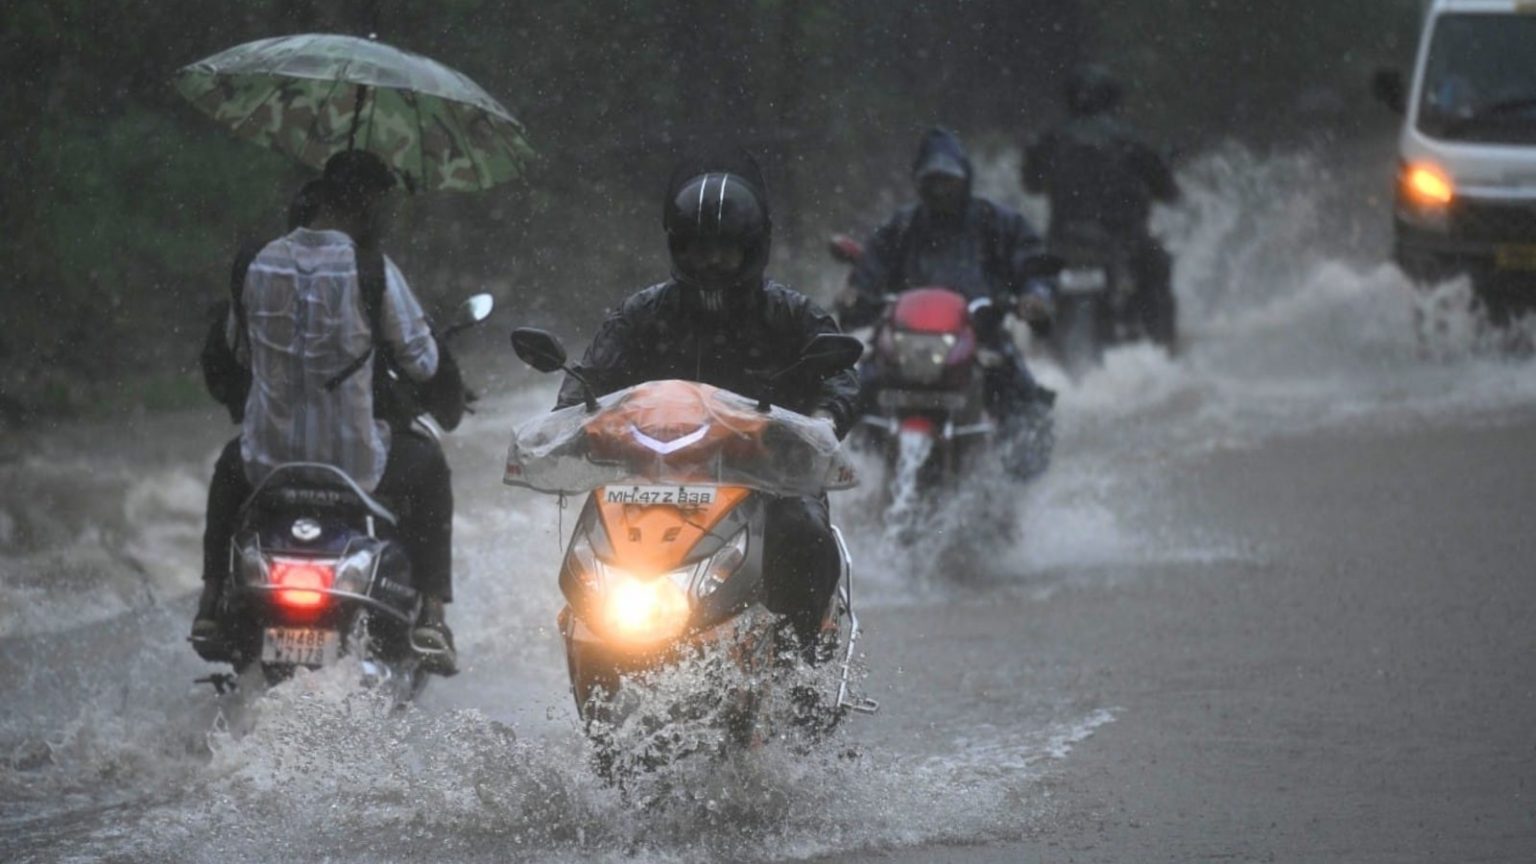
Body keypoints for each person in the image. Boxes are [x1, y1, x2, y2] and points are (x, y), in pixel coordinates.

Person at [555, 149, 857, 665]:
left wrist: (823, 420)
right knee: (590, 544)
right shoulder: (642, 313)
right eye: (698, 250)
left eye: (725, 251)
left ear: (752, 249)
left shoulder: (789, 313)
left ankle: (802, 660)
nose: (710, 263)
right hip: (650, 476)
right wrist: (572, 418)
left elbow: (842, 374)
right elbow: (589, 380)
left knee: (804, 530)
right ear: (678, 248)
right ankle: (593, 652)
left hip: (767, 478)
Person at [192, 150, 460, 667]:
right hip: (354, 466)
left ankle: (211, 601)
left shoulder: (256, 263)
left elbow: (238, 354)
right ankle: (431, 614)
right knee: (429, 466)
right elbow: (423, 362)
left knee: (227, 468)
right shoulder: (372, 270)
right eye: (383, 205)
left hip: (267, 463)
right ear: (368, 204)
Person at [837, 127, 1055, 477]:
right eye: (932, 180)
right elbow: (870, 269)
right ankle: (846, 477)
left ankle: (1018, 492)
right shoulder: (902, 226)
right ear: (919, 182)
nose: (940, 189)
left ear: (965, 178)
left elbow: (1032, 263)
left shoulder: (996, 223)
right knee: (845, 394)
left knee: (1025, 403)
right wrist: (855, 294)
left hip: (981, 338)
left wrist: (1035, 296)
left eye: (947, 180)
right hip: (904, 342)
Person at [1023, 64, 1180, 347]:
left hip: (1064, 240)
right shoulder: (1131, 139)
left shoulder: (1050, 139)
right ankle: (1163, 348)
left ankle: (1038, 343)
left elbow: (1031, 184)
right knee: (1157, 269)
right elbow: (1168, 191)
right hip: (1123, 241)